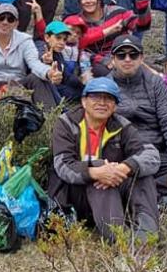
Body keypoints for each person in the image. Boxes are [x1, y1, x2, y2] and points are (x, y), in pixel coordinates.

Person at [48, 77, 160, 243]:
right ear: (84, 101)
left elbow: (151, 155)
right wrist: (95, 172)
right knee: (101, 167)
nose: (102, 102)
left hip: (112, 194)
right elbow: (63, 166)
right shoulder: (66, 123)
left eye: (108, 98)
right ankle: (120, 241)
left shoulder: (121, 125)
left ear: (114, 106)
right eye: (95, 97)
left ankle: (146, 238)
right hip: (75, 196)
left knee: (142, 173)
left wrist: (124, 168)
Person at [106, 35, 167, 220]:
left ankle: (146, 196)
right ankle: (158, 199)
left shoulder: (154, 83)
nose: (127, 59)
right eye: (121, 55)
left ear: (142, 58)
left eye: (133, 55)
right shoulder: (105, 86)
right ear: (112, 60)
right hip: (122, 156)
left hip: (157, 154)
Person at [0, 3, 63, 111]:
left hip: (16, 85)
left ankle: (51, 122)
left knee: (38, 78)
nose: (5, 22)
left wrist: (49, 73)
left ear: (16, 24)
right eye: (1, 18)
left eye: (10, 19)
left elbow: (35, 64)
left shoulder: (25, 40)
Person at [76, 0, 151, 67]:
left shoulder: (117, 12)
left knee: (153, 76)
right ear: (79, 2)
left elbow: (142, 25)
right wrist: (103, 60)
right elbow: (77, 48)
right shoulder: (77, 22)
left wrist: (142, 2)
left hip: (123, 57)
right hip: (94, 63)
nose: (88, 1)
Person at [37, 20, 86, 103]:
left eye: (64, 39)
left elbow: (66, 76)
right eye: (58, 38)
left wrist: (82, 81)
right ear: (47, 38)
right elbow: (40, 52)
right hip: (43, 88)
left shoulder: (59, 54)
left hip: (57, 86)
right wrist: (44, 59)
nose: (62, 43)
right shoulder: (41, 46)